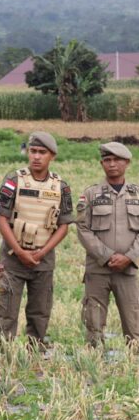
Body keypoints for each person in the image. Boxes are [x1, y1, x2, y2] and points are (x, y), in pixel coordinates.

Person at [0, 132, 73, 346]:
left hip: (43, 259)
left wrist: (42, 252)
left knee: (40, 311)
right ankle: (4, 352)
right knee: (7, 311)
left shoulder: (61, 187)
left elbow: (64, 225)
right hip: (13, 258)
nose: (36, 156)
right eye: (33, 151)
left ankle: (35, 351)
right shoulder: (13, 181)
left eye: (42, 152)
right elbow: (1, 219)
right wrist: (19, 251)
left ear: (52, 156)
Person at [77, 142, 139, 347]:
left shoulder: (136, 194)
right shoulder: (91, 194)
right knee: (93, 324)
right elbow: (83, 229)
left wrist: (129, 257)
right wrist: (107, 256)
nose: (112, 164)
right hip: (98, 269)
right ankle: (95, 368)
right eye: (107, 160)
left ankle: (133, 370)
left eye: (117, 160)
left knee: (134, 324)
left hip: (128, 271)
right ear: (102, 163)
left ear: (127, 163)